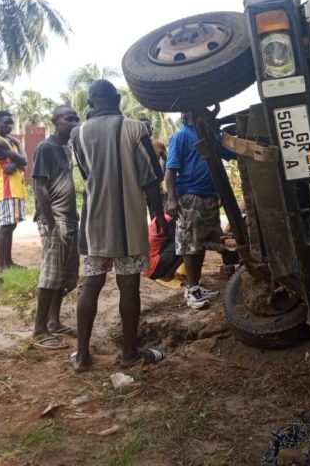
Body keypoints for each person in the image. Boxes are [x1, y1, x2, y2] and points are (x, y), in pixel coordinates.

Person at [70, 79, 167, 372]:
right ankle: (129, 353)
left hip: (95, 222)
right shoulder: (136, 129)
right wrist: (159, 216)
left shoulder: (78, 133)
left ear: (90, 104)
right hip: (129, 221)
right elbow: (150, 177)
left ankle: (82, 356)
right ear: (118, 100)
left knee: (91, 285)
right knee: (129, 286)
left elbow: (87, 173)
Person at [165, 111, 233, 309]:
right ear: (191, 116)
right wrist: (171, 199)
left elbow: (230, 152)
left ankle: (197, 285)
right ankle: (192, 288)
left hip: (210, 195)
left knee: (201, 243)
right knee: (189, 244)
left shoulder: (209, 136)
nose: (211, 116)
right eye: (205, 112)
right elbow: (171, 170)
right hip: (190, 195)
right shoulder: (181, 136)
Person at [31, 106, 80, 350]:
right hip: (55, 221)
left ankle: (54, 321)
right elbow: (40, 188)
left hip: (69, 218)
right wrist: (50, 224)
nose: (72, 123)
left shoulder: (66, 149)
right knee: (51, 276)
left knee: (65, 276)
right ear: (55, 122)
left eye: (75, 119)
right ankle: (39, 330)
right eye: (67, 119)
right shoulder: (46, 148)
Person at [0, 110, 28, 272]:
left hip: (16, 189)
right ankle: (1, 266)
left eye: (11, 122)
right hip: (7, 190)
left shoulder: (7, 141)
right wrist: (19, 146)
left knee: (11, 226)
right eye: (6, 122)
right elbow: (24, 160)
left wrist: (17, 163)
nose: (9, 126)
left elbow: (22, 165)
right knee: (5, 226)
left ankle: (9, 262)